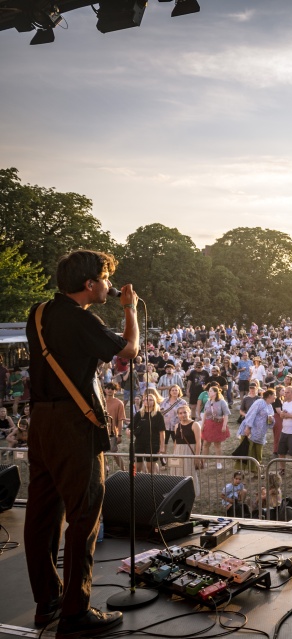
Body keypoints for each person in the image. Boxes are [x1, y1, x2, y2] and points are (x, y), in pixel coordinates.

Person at [24, 250, 137, 634]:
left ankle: (47, 602)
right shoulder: (81, 320)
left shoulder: (39, 313)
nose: (108, 284)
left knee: (41, 515)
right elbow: (129, 350)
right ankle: (76, 611)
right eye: (104, 278)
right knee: (84, 513)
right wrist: (131, 311)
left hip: (40, 422)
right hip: (74, 425)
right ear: (89, 285)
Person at [237, 388, 276, 467]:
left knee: (257, 453)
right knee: (247, 451)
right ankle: (242, 472)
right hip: (251, 432)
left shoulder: (270, 406)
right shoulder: (259, 402)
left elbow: (271, 419)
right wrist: (248, 427)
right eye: (274, 395)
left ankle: (256, 472)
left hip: (260, 434)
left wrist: (271, 420)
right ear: (269, 396)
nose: (276, 396)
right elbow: (251, 414)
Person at [130, 388, 166, 474]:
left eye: (150, 400)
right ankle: (137, 483)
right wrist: (128, 430)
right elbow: (131, 425)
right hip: (139, 442)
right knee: (137, 467)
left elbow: (162, 432)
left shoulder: (158, 415)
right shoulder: (139, 414)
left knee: (150, 467)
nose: (148, 401)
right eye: (146, 399)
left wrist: (162, 446)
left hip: (153, 443)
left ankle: (153, 484)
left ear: (154, 402)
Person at [171, 405, 202, 491]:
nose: (183, 415)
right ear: (178, 415)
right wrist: (174, 454)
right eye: (180, 413)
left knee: (189, 474)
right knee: (177, 473)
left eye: (185, 412)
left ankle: (191, 492)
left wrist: (197, 456)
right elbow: (175, 441)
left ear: (189, 412)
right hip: (178, 452)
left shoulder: (195, 424)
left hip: (189, 452)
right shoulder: (177, 426)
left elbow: (198, 442)